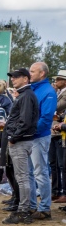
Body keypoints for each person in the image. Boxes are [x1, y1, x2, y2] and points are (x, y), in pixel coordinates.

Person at [3, 68, 40, 224]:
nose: (13, 79)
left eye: (16, 77)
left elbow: (25, 121)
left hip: (21, 140)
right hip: (22, 139)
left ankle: (23, 211)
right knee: (23, 176)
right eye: (12, 77)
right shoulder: (26, 94)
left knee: (22, 177)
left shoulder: (26, 95)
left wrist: (13, 137)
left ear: (25, 79)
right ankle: (24, 208)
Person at [27, 62, 57, 219]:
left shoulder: (48, 92)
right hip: (31, 136)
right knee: (30, 173)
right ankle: (32, 205)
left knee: (40, 172)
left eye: (32, 71)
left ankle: (45, 207)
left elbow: (46, 118)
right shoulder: (35, 89)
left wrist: (29, 132)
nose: (29, 73)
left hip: (39, 137)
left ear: (42, 73)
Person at [51, 72, 66, 204]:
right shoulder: (58, 93)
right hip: (54, 131)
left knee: (61, 165)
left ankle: (60, 192)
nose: (56, 81)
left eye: (59, 79)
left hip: (60, 133)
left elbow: (55, 107)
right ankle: (56, 191)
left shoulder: (64, 94)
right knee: (54, 164)